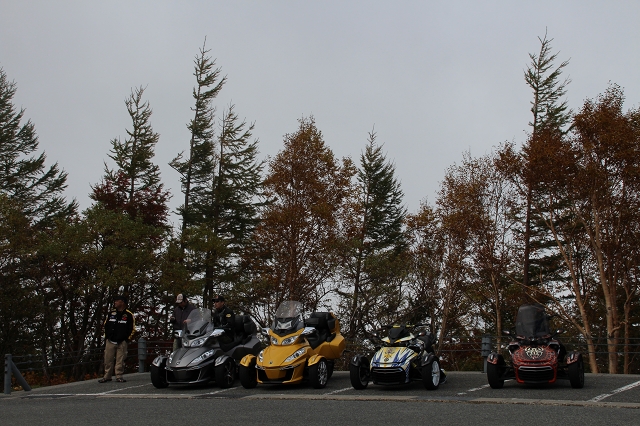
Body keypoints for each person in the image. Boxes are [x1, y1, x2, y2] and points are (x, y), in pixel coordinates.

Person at [99, 295, 135, 383]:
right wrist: (107, 337)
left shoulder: (129, 315)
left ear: (122, 302)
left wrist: (126, 339)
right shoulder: (111, 313)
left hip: (122, 341)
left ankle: (119, 376)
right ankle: (107, 376)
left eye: (117, 301)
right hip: (110, 340)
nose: (115, 302)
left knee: (120, 360)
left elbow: (132, 328)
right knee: (108, 359)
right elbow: (106, 325)